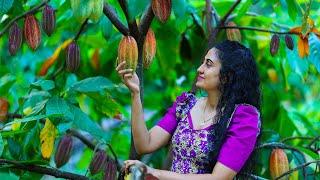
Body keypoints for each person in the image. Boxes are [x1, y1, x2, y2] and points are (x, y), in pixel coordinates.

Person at [116, 40, 262, 180]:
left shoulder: (243, 118)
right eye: (203, 62)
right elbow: (144, 144)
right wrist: (135, 94)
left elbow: (219, 178)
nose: (200, 69)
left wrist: (155, 173)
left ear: (227, 77)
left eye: (208, 65)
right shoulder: (186, 104)